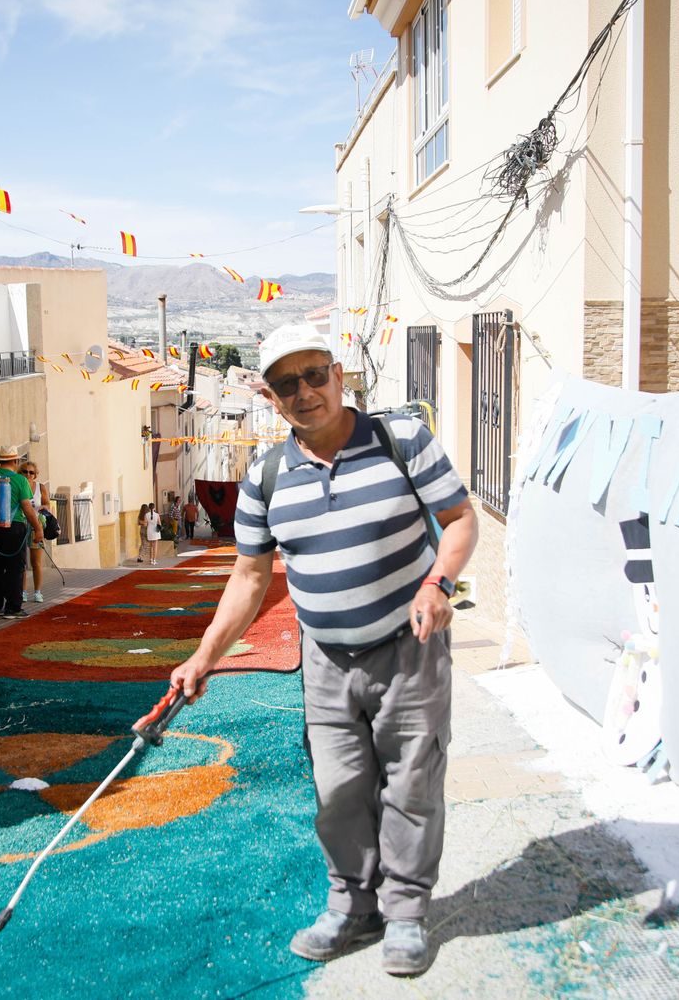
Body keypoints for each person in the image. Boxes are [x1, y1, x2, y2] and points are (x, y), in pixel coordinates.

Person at [168, 324, 477, 978]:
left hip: (409, 648)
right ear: (271, 397)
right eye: (287, 384)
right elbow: (249, 579)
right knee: (337, 789)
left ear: (339, 375)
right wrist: (203, 657)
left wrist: (438, 584)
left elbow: (459, 520)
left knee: (411, 784)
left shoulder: (403, 442)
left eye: (314, 376)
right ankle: (352, 904)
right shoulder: (266, 476)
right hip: (326, 660)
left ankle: (406, 914)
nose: (304, 392)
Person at [0, 445, 43, 619]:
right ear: (16, 461)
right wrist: (38, 528)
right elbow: (27, 507)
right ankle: (13, 607)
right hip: (13, 527)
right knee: (14, 568)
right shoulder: (20, 480)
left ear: (0, 460)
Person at [17, 460, 49, 604]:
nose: (28, 474)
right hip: (20, 524)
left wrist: (44, 506)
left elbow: (47, 503)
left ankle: (37, 592)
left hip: (36, 525)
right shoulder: (18, 484)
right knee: (21, 561)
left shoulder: (40, 487)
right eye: (25, 471)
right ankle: (22, 591)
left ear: (35, 474)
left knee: (36, 562)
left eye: (31, 472)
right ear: (20, 472)